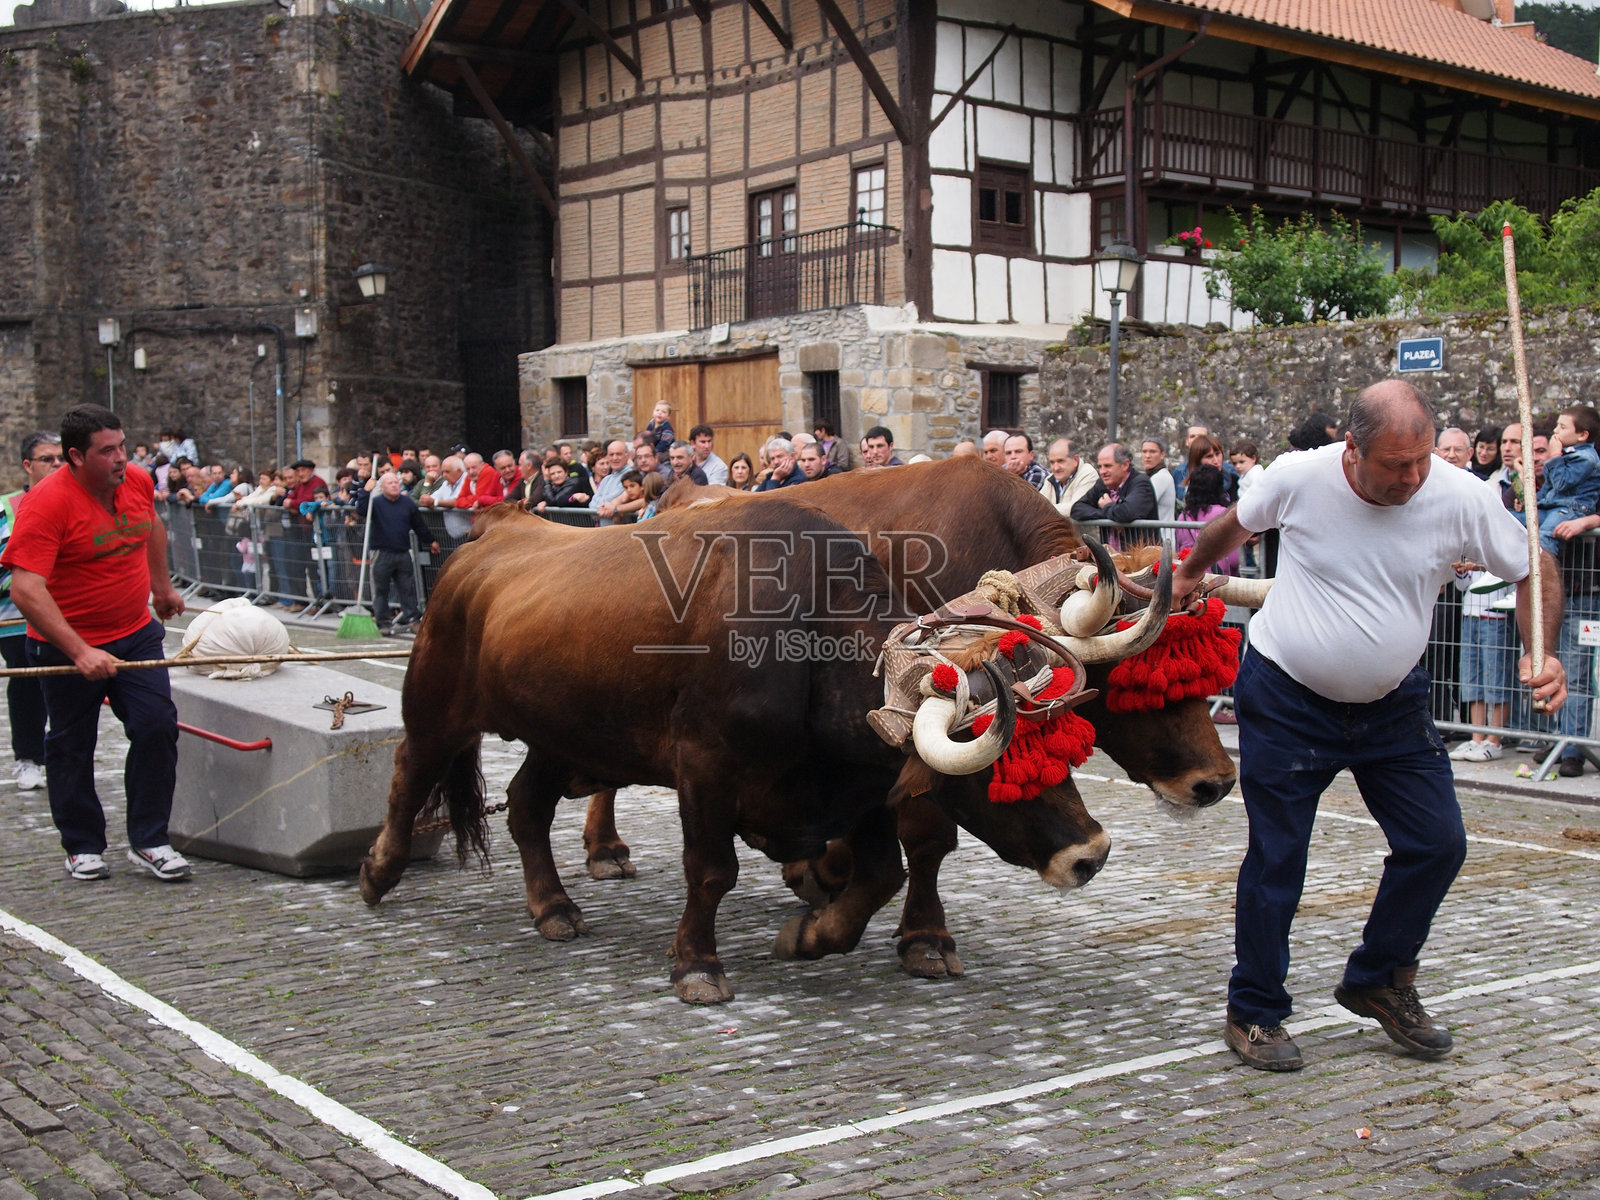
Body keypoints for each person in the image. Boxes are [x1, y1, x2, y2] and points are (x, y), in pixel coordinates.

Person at [1168, 380, 1566, 1073]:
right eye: (1394, 465)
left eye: (1419, 462)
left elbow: (1536, 566)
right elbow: (1234, 525)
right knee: (1279, 858)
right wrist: (1191, 570)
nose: (1411, 478)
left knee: (1438, 844)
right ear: (1351, 449)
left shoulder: (1460, 495)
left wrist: (1541, 649)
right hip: (1287, 696)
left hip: (1394, 705)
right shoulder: (1299, 477)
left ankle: (1379, 977)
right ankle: (1255, 1010)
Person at [3, 405, 194, 883]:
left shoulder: (134, 480)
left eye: (122, 446)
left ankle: (150, 840)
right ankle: (82, 845)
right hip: (64, 643)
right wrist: (79, 650)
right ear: (74, 456)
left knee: (156, 727)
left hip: (135, 631)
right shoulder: (46, 504)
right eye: (106, 451)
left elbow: (148, 524)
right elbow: (26, 589)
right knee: (71, 744)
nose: (120, 458)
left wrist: (162, 587)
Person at [1, 432, 66, 792]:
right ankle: (27, 756)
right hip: (15, 616)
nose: (56, 465)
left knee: (63, 683)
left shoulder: (80, 500)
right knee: (26, 678)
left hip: (69, 611)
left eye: (60, 458)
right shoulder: (6, 507)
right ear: (28, 465)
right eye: (47, 459)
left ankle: (62, 753)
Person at [357, 471, 439, 636]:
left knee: (407, 588)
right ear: (382, 487)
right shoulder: (377, 503)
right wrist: (365, 491)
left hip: (402, 552)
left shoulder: (407, 503)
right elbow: (361, 510)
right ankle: (383, 621)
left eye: (396, 482)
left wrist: (430, 540)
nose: (394, 485)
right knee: (381, 589)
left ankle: (413, 619)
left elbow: (418, 524)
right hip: (382, 553)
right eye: (390, 483)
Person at [1513, 406, 1600, 557]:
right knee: (1512, 519)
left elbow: (1561, 483)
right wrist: (1530, 503)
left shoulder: (1586, 458)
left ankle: (1540, 572)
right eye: (1557, 425)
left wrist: (1554, 455)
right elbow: (1550, 487)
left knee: (1545, 537)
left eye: (1563, 427)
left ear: (1582, 435)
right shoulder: (1565, 455)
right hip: (1551, 507)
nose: (1555, 430)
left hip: (1570, 510)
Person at [1070, 443, 1158, 549]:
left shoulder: (1141, 483)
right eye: (1100, 466)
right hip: (1112, 557)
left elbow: (1126, 513)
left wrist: (1108, 506)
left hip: (1141, 557)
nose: (1102, 471)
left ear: (1125, 465)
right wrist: (1109, 515)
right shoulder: (1102, 484)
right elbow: (1076, 509)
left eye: (1108, 466)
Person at [1172, 464, 1237, 575]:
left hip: (1190, 576)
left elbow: (1179, 549)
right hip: (1220, 578)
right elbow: (1234, 559)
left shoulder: (1183, 517)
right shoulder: (1225, 514)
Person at [1038, 437, 1098, 517]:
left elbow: (1076, 507)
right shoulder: (1050, 479)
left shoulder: (1088, 474)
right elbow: (1036, 506)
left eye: (1060, 461)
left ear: (1075, 460)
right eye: (1052, 462)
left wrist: (1044, 509)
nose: (1056, 468)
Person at [1140, 437, 1177, 522]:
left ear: (1162, 455)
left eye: (1152, 452)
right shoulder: (1154, 476)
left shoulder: (1161, 477)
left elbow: (1141, 505)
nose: (1147, 456)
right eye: (1144, 451)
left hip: (1162, 534)